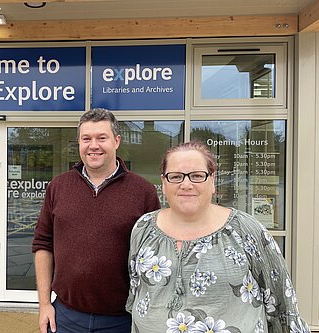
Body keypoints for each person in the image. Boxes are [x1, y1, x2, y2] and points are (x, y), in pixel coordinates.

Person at [127, 141, 310, 333]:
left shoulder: (245, 230)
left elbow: (281, 300)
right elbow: (136, 289)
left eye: (197, 176)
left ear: (212, 181)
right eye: (176, 176)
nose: (186, 184)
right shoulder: (144, 227)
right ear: (164, 183)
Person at [32, 108, 161, 333]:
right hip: (65, 317)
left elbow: (156, 256)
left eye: (102, 138)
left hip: (122, 320)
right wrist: (44, 304)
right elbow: (43, 244)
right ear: (79, 143)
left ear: (116, 141)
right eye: (86, 139)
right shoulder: (58, 187)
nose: (94, 145)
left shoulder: (143, 191)